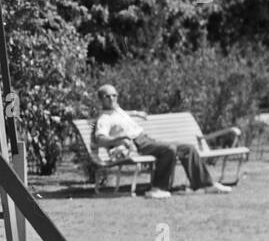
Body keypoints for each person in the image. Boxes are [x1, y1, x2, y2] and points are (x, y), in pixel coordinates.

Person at [93, 84, 230, 197]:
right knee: (169, 149)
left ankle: (205, 185)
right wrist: (120, 138)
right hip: (137, 144)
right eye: (107, 96)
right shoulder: (104, 119)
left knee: (188, 148)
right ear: (101, 100)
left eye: (114, 95)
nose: (112, 99)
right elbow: (100, 139)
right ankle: (158, 189)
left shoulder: (117, 110)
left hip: (146, 139)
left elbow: (120, 113)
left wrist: (135, 112)